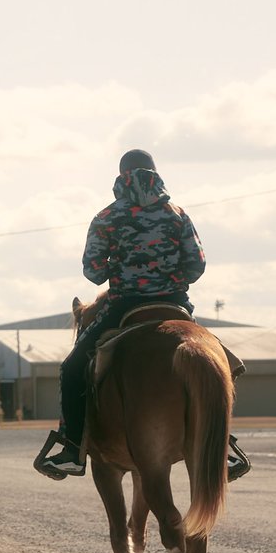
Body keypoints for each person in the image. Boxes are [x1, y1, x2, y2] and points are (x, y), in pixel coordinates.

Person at [36, 149, 251, 481]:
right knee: (222, 363)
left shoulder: (107, 216)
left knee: (72, 368)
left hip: (124, 304)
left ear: (121, 175)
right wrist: (170, 276)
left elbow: (93, 272)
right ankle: (224, 450)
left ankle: (72, 449)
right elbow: (197, 265)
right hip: (175, 303)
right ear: (155, 172)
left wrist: (124, 270)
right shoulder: (176, 213)